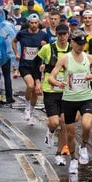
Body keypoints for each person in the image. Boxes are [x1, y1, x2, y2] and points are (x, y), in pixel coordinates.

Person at [47, 30, 92, 175]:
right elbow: (51, 77)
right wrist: (57, 83)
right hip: (69, 99)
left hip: (86, 98)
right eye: (78, 44)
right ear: (72, 43)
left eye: (83, 44)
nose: (81, 47)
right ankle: (74, 159)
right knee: (70, 134)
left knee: (87, 124)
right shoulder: (65, 59)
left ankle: (83, 146)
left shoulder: (88, 58)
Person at [37, 24, 71, 164]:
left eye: (65, 34)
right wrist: (38, 80)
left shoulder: (72, 49)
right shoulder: (47, 48)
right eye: (60, 34)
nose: (63, 37)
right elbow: (36, 63)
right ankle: (50, 132)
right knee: (54, 122)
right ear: (56, 35)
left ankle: (59, 153)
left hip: (66, 91)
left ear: (68, 35)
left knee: (64, 122)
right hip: (50, 89)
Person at [15, 13, 48, 125]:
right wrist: (16, 53)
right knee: (30, 85)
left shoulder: (43, 35)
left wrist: (45, 46)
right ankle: (27, 107)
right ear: (28, 23)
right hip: (25, 65)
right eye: (32, 23)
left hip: (37, 66)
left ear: (38, 23)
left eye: (36, 23)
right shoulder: (22, 33)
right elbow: (14, 41)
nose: (34, 25)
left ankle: (32, 111)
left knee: (36, 92)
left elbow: (48, 49)